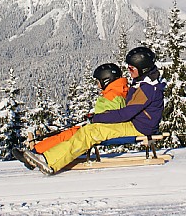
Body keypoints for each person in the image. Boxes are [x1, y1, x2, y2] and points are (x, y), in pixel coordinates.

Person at [23, 46, 166, 175]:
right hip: (136, 124)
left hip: (139, 128)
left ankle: (50, 161)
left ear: (143, 68)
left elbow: (125, 114)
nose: (129, 71)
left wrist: (97, 118)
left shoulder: (147, 88)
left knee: (91, 132)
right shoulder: (142, 81)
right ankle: (49, 155)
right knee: (89, 130)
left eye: (132, 69)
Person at [32, 63, 128, 154]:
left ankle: (37, 152)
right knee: (67, 133)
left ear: (106, 80)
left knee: (67, 135)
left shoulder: (112, 95)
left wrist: (95, 120)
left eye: (98, 82)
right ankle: (38, 150)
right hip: (99, 128)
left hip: (102, 131)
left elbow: (112, 118)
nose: (98, 85)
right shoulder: (116, 92)